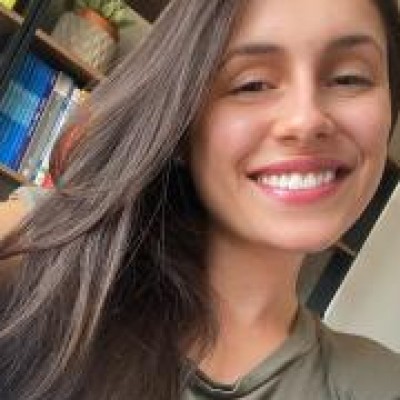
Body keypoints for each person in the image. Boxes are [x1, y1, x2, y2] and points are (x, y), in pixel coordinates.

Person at [0, 0, 400, 399]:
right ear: (182, 120)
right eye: (252, 84)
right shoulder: (44, 249)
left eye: (349, 78)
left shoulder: (378, 383)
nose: (307, 120)